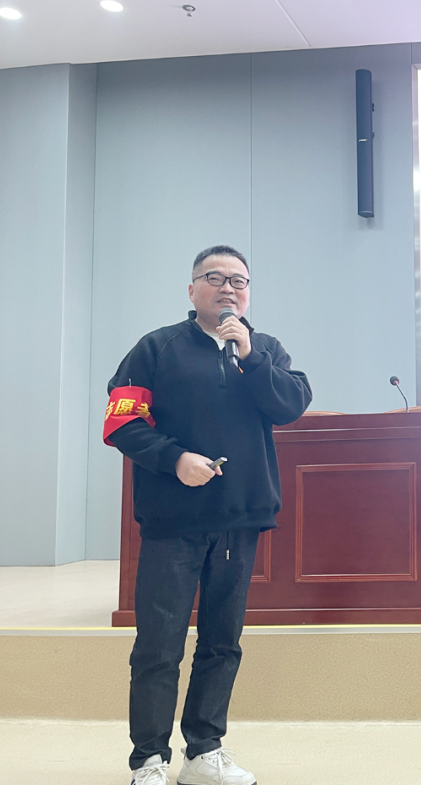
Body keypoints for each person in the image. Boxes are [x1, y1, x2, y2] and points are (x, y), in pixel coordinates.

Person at [104, 245, 312, 785]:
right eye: (214, 278)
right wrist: (174, 459)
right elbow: (121, 423)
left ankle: (204, 752)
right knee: (159, 644)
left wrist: (250, 355)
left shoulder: (264, 349)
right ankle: (149, 759)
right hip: (173, 520)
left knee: (221, 643)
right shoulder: (156, 348)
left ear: (248, 294)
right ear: (192, 289)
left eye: (238, 281)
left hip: (238, 520)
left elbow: (290, 405)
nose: (227, 288)